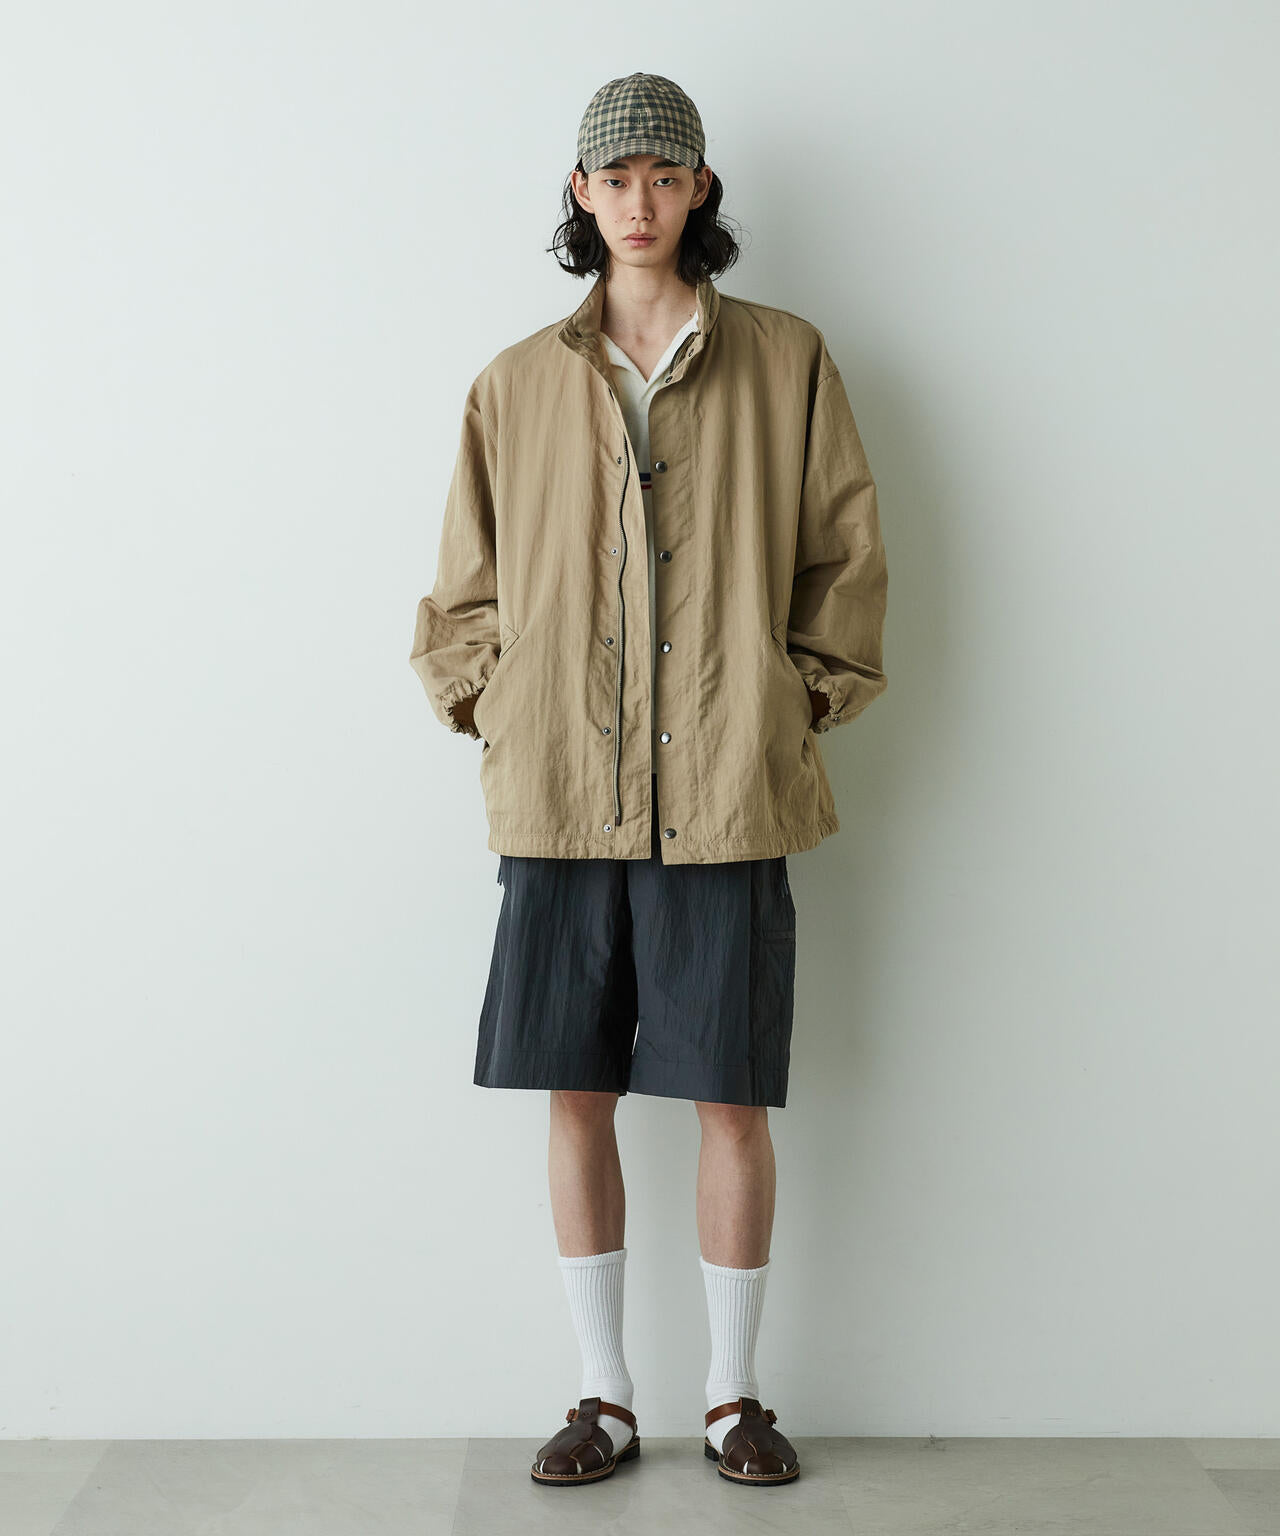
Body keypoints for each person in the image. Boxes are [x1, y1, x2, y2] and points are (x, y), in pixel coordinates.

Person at [409, 71, 888, 1488]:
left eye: (664, 176)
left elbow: (846, 559)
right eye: (613, 178)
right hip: (563, 790)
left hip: (728, 789)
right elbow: (463, 591)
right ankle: (604, 1396)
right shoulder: (515, 383)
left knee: (730, 1095)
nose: (638, 202)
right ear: (580, 193)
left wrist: (790, 704)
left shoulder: (788, 360)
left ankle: (735, 1398)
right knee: (576, 1090)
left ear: (700, 191)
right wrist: (501, 705)